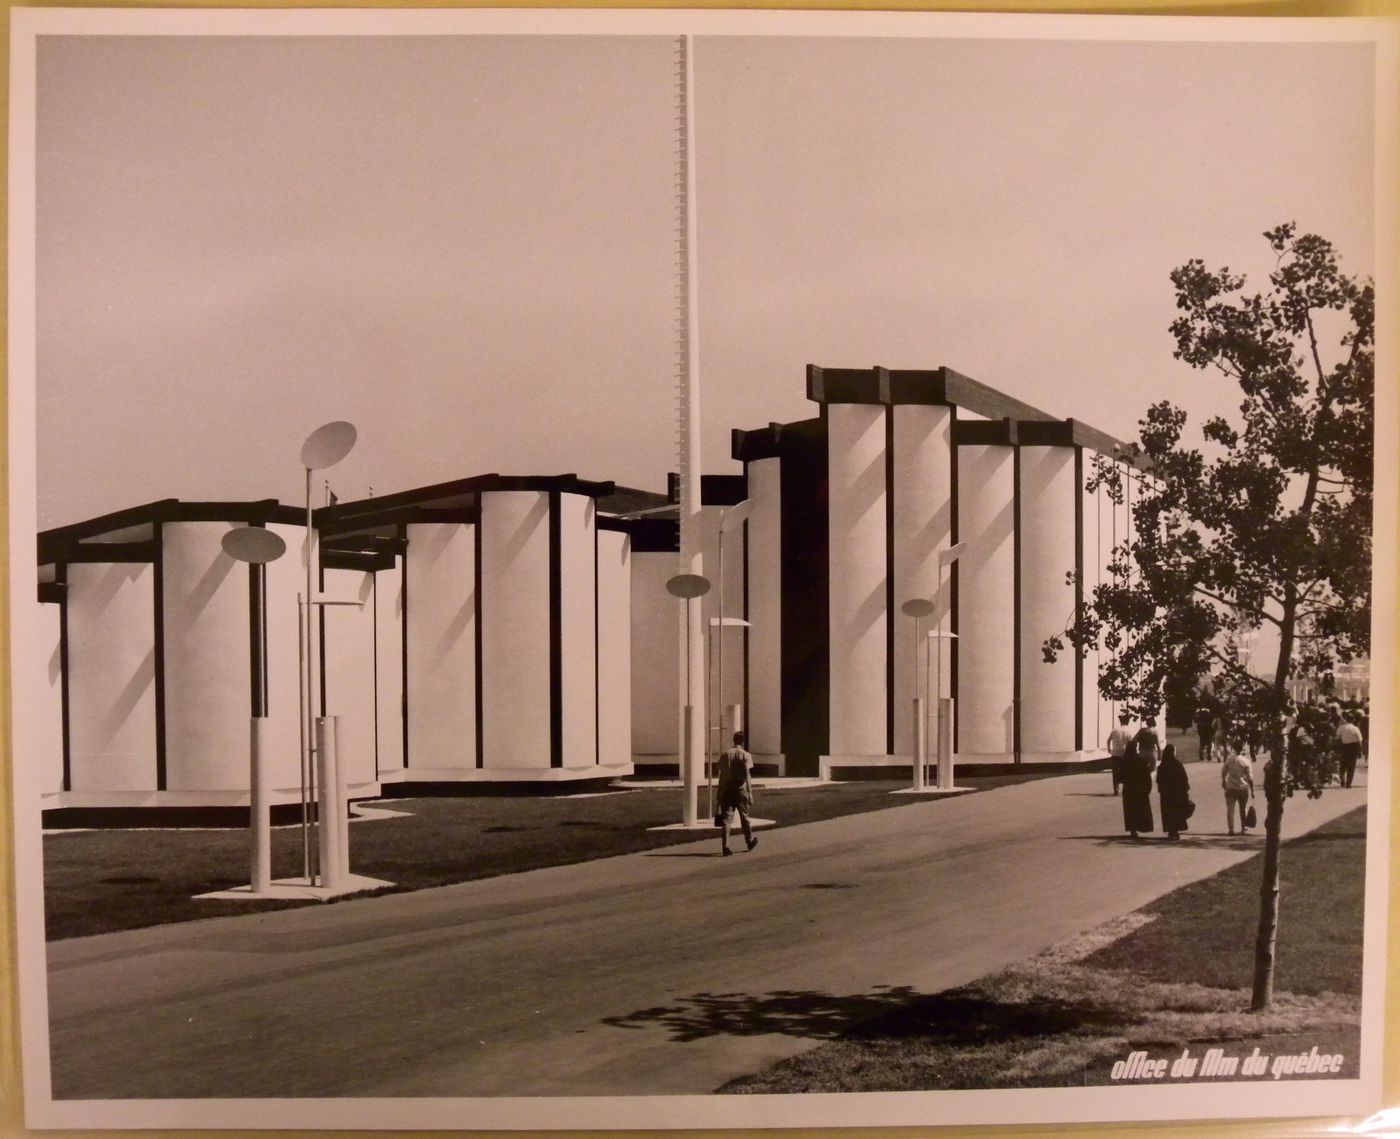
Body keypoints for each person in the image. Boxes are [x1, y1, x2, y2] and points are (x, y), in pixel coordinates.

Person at [716, 731, 758, 856]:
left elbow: (722, 775)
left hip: (727, 789)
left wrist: (719, 790)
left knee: (726, 820)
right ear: (743, 741)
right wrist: (750, 793)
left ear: (734, 740)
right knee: (744, 816)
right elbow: (747, 775)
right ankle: (749, 840)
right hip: (740, 788)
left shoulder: (725, 755)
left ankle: (725, 846)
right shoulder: (745, 755)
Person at [1120, 734, 1155, 840]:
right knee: (1139, 809)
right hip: (1139, 789)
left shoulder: (1124, 762)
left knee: (1130, 810)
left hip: (1128, 789)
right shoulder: (1141, 761)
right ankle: (1140, 826)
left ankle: (1132, 829)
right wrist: (1148, 788)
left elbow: (1120, 776)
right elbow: (1146, 776)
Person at [1156, 743, 1192, 840]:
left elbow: (1159, 780)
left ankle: (1170, 830)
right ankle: (1175, 830)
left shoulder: (1162, 766)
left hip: (1166, 793)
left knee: (1168, 812)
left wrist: (1161, 791)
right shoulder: (1177, 764)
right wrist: (1186, 790)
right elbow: (1184, 778)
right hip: (1177, 793)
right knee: (1176, 811)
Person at [1221, 737, 1255, 836]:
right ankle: (1243, 828)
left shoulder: (1229, 760)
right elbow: (1250, 777)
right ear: (1242, 748)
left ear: (1234, 748)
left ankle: (1231, 829)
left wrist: (1223, 781)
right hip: (1243, 787)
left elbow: (1224, 772)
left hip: (1231, 787)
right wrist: (1252, 790)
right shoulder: (1246, 761)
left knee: (1230, 809)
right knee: (1243, 809)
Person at [1106, 713, 1135, 796]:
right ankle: (1126, 788)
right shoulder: (1129, 731)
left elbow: (1108, 740)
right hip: (1125, 754)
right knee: (1126, 772)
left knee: (1115, 772)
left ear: (1120, 721)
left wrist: (1109, 749)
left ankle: (1116, 789)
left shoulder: (1114, 730)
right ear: (1128, 722)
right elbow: (1132, 743)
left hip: (1115, 753)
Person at [1337, 714, 1363, 789]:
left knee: (1342, 765)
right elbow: (1359, 741)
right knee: (1351, 767)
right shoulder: (1355, 728)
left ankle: (1342, 779)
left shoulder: (1341, 727)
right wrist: (1360, 751)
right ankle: (1348, 784)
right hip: (1353, 748)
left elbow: (1337, 737)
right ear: (1353, 720)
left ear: (1346, 719)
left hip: (1343, 747)